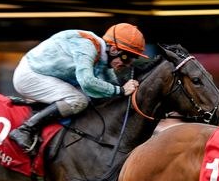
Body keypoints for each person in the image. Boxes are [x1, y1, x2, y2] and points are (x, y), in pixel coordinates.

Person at [8, 23, 146, 153]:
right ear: (114, 50)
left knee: (90, 98)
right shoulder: (88, 47)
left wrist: (126, 90)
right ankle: (25, 129)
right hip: (30, 75)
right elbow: (87, 82)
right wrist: (121, 91)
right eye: (127, 58)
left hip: (48, 76)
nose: (128, 64)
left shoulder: (103, 56)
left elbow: (110, 84)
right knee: (78, 100)